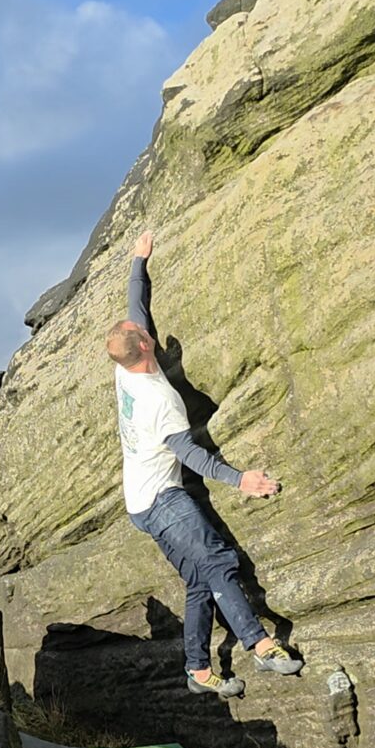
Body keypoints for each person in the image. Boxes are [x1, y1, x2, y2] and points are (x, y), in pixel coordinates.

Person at [110, 230, 303, 698]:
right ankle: (260, 644)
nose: (144, 327)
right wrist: (242, 480)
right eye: (144, 333)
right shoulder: (159, 399)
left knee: (198, 580)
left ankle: (197, 670)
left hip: (137, 502)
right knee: (218, 562)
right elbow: (192, 454)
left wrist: (140, 260)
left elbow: (136, 308)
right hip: (161, 501)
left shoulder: (124, 365)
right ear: (147, 347)